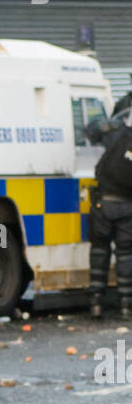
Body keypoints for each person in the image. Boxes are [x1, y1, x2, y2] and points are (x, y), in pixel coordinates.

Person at [86, 103, 132, 319]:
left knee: (99, 253)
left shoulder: (115, 135)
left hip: (102, 206)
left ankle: (95, 302)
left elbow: (91, 131)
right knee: (125, 255)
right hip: (126, 207)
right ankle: (126, 304)